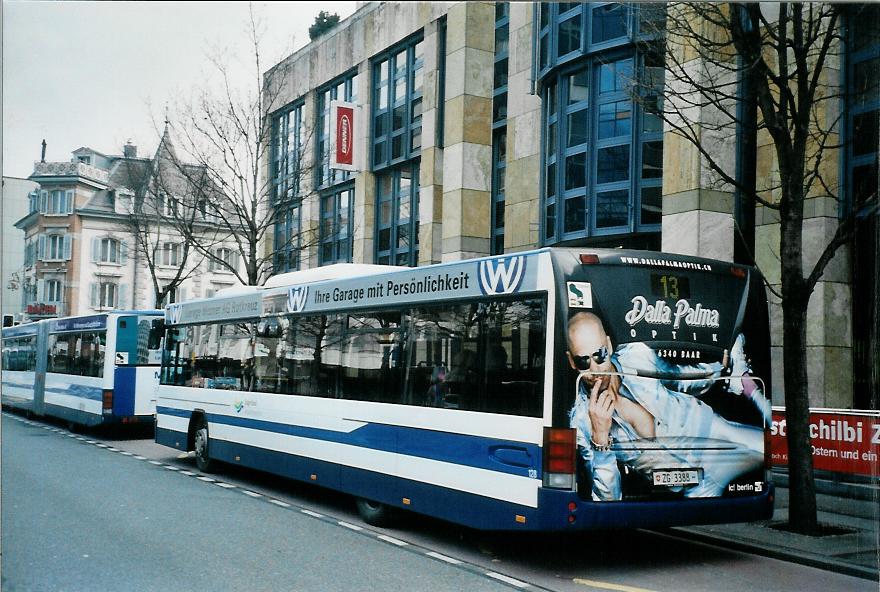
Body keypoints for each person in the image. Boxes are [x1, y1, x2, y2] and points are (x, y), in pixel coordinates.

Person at [566, 312, 768, 501]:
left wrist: (720, 370)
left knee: (772, 450)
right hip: (693, 485)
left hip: (714, 435)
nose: (594, 369)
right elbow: (608, 499)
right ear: (572, 362)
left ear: (609, 347)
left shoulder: (635, 355)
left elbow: (679, 377)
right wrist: (600, 439)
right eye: (583, 361)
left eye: (599, 355)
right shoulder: (581, 420)